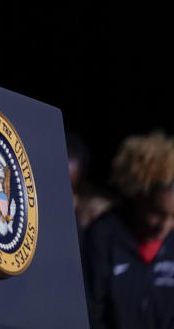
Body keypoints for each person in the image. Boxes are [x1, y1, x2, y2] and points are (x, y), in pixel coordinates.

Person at [84, 131, 174, 328]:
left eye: (173, 217)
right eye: (156, 213)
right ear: (138, 196)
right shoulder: (102, 237)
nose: (164, 226)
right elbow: (90, 314)